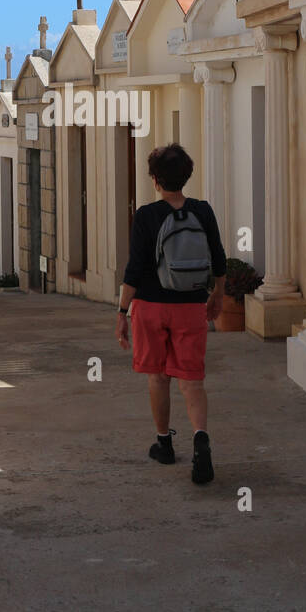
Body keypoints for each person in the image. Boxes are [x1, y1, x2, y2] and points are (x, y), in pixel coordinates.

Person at [116, 143, 226, 484]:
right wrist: (218, 294)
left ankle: (164, 443)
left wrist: (122, 311)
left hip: (150, 307)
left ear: (155, 179)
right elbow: (219, 258)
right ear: (186, 176)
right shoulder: (203, 211)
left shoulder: (148, 215)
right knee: (192, 383)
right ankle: (200, 440)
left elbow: (134, 270)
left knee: (158, 377)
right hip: (191, 306)